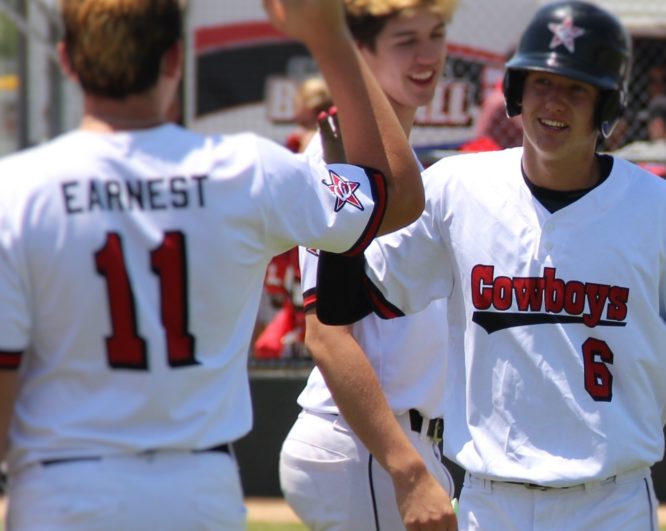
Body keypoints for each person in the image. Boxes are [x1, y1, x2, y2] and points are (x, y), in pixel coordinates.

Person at [315, 2, 666, 529]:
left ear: (607, 105)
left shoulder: (661, 209)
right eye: (541, 83)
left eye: (577, 88)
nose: (554, 102)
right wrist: (345, 207)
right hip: (491, 501)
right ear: (516, 91)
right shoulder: (458, 188)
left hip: (610, 502)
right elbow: (344, 305)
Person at [0, 0, 427, 528]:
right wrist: (330, 38)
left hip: (63, 487)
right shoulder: (248, 172)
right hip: (197, 489)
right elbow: (400, 196)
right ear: (176, 58)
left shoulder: (15, 193)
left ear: (66, 60)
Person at [277, 1, 459, 529]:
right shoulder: (335, 163)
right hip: (366, 449)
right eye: (406, 41)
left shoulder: (396, 158)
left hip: (386, 447)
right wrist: (407, 470)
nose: (428, 56)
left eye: (437, 34)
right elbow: (327, 335)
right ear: (358, 51)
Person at [286, 76, 333, 153]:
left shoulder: (307, 139)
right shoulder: (334, 136)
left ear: (310, 107)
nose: (294, 112)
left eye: (296, 105)